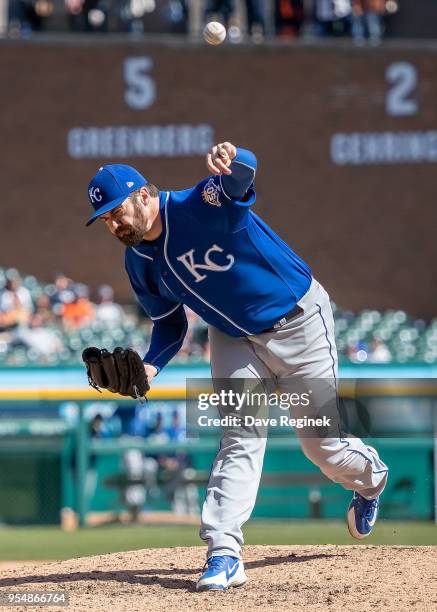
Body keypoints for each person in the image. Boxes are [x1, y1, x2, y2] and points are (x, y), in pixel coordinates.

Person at [85, 142, 388, 592]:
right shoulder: (139, 262)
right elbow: (169, 326)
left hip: (298, 321)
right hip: (232, 336)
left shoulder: (197, 203)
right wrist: (149, 367)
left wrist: (237, 157)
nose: (113, 222)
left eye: (117, 210)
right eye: (105, 218)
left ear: (144, 195)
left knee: (321, 446)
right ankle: (223, 552)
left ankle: (370, 480)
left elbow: (241, 177)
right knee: (240, 438)